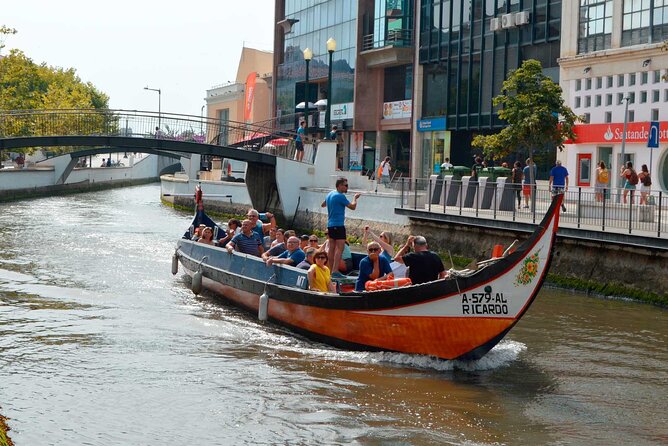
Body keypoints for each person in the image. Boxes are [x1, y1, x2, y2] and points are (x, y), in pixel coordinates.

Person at [321, 177, 361, 277]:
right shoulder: (340, 196)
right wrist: (355, 198)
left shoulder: (330, 194)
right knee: (340, 248)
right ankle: (335, 271)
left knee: (331, 248)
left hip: (330, 225)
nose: (347, 187)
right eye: (346, 185)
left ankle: (330, 270)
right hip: (338, 225)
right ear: (339, 186)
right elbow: (353, 207)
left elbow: (323, 205)